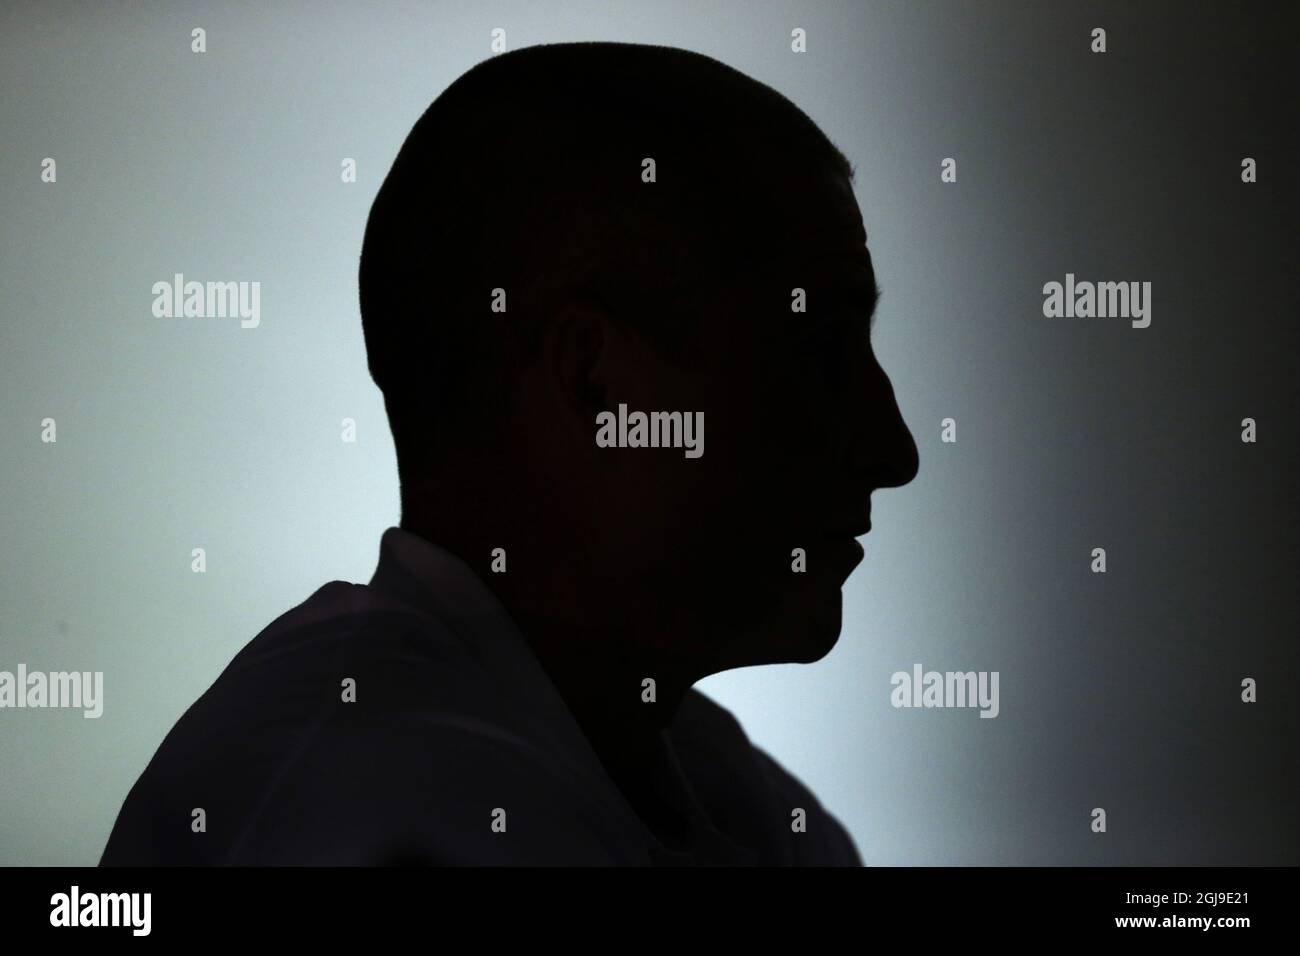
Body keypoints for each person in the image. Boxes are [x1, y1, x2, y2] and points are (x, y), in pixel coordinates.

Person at [100, 40, 919, 866]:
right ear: (597, 387)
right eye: (816, 354)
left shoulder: (718, 788)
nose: (895, 450)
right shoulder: (362, 811)